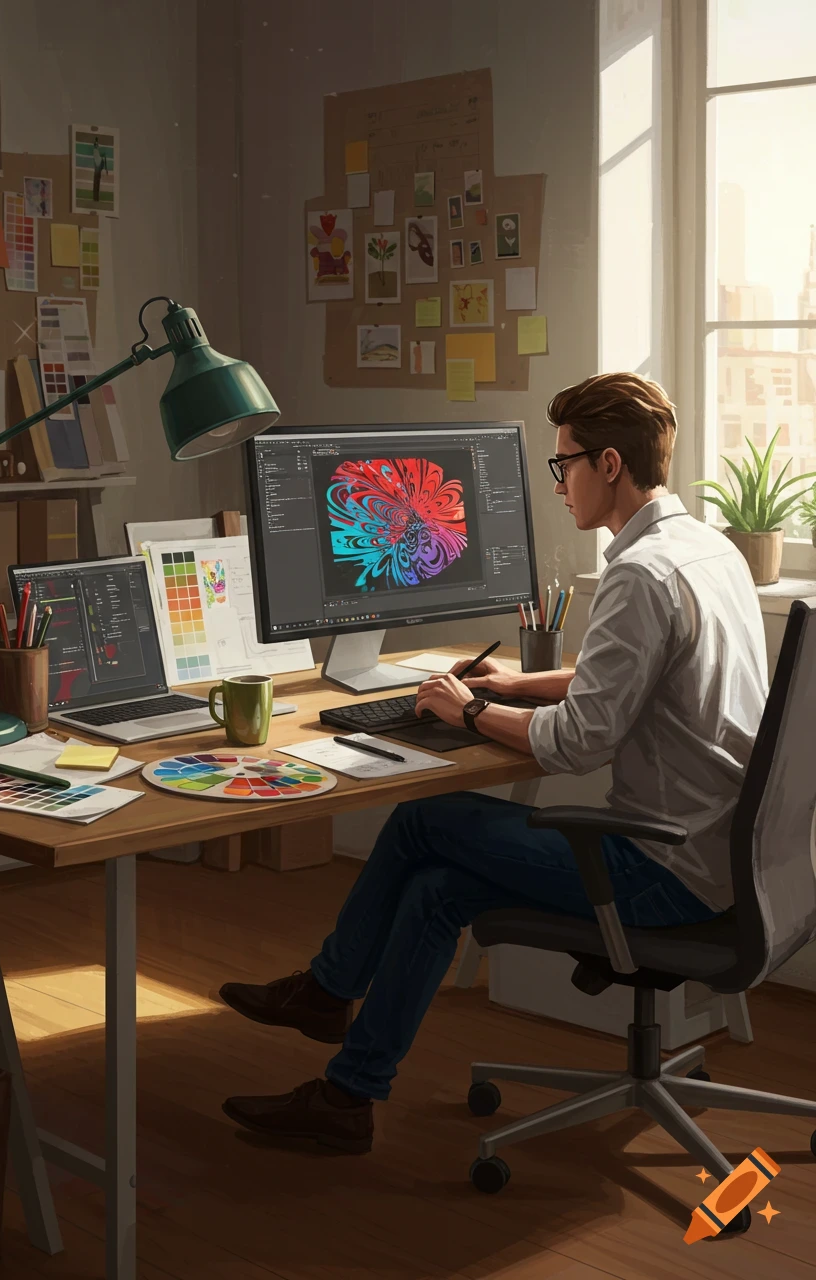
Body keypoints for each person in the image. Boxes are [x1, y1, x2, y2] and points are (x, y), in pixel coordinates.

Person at [217, 372, 769, 1154]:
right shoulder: (703, 548)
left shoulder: (639, 574)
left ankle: (328, 989)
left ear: (608, 465)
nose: (558, 485)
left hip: (659, 868)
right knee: (442, 892)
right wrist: (511, 682)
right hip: (715, 851)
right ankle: (348, 1095)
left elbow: (579, 740)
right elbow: (624, 676)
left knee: (418, 823)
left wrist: (468, 710)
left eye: (563, 465)